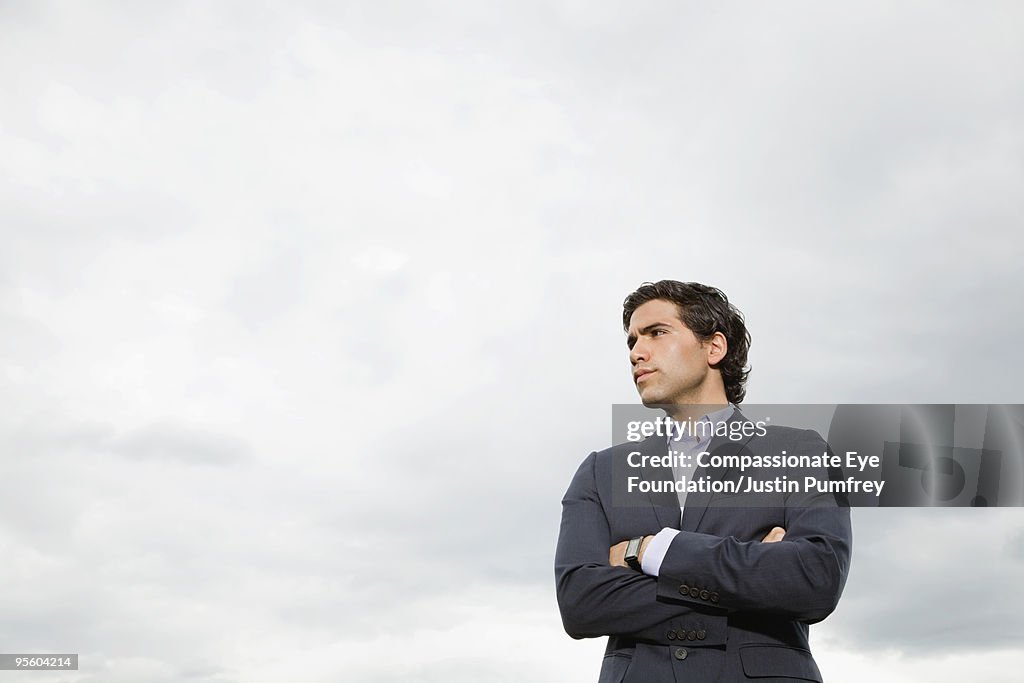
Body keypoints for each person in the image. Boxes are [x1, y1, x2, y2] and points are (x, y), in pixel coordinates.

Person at [554, 280, 852, 683]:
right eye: (631, 342)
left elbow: (816, 580)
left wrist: (651, 550)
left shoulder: (798, 450)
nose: (637, 353)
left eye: (657, 332)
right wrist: (752, 571)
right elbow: (581, 604)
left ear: (714, 347)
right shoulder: (600, 472)